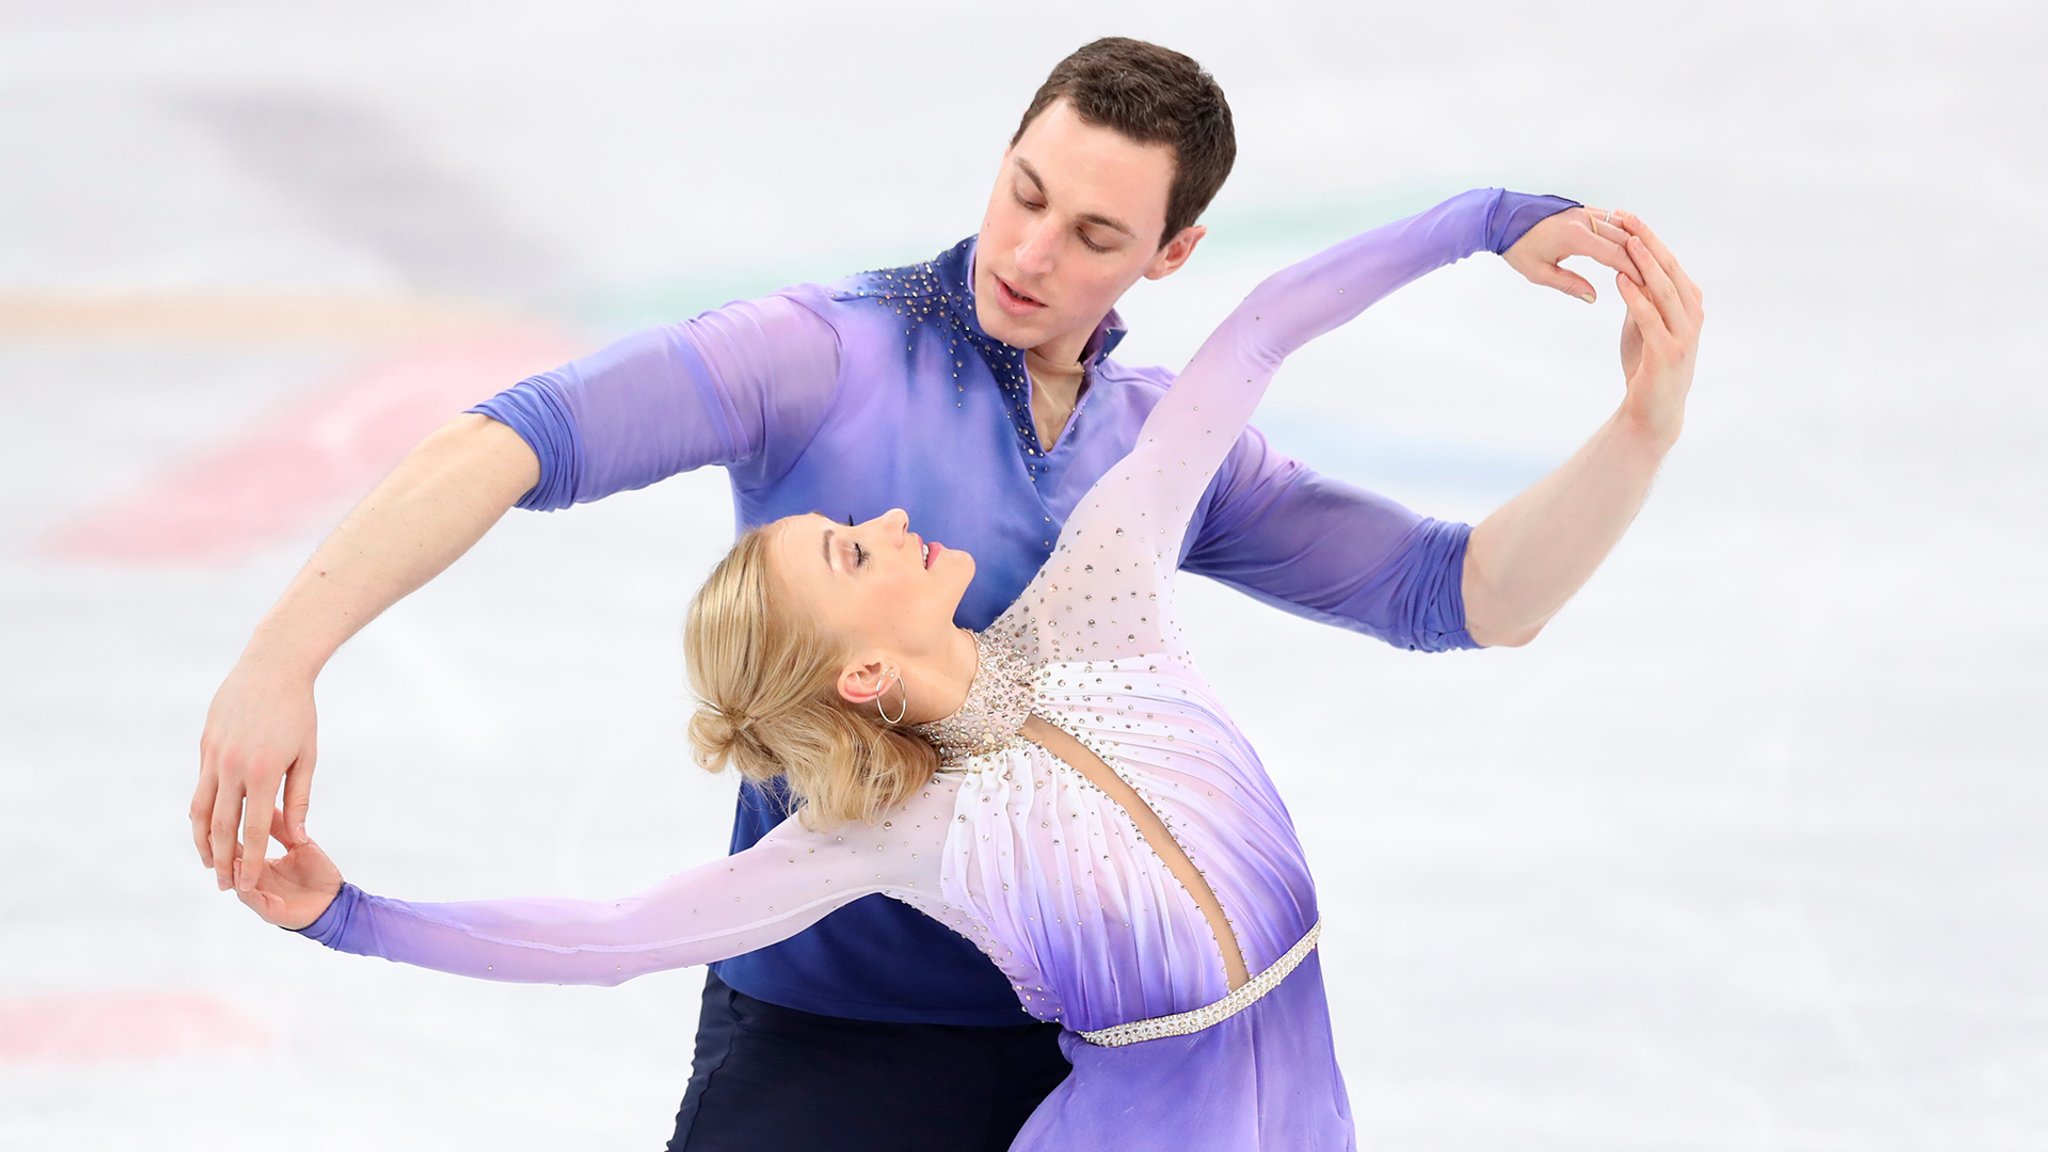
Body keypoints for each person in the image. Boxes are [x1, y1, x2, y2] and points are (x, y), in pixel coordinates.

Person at [195, 37, 1666, 1151]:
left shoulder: (1141, 479)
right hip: (827, 1042)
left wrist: (1634, 420)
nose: (1031, 253)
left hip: (1097, 1054)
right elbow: (515, 438)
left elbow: (1461, 591)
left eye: (1095, 235)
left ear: (1171, 252)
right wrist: (284, 659)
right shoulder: (821, 355)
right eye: (1024, 193)